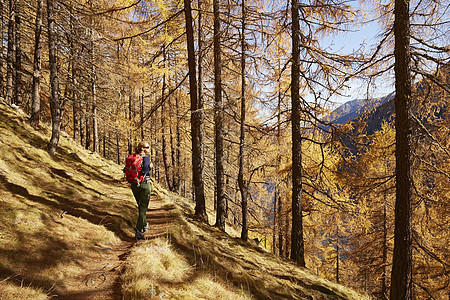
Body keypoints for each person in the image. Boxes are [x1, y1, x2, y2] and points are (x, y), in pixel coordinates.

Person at [129, 141, 153, 240]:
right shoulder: (146, 158)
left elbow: (125, 169)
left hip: (134, 184)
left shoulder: (131, 157)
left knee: (140, 206)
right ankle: (138, 231)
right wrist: (150, 167)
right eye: (147, 147)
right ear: (143, 149)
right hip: (144, 184)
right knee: (143, 208)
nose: (149, 149)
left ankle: (144, 224)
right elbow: (145, 170)